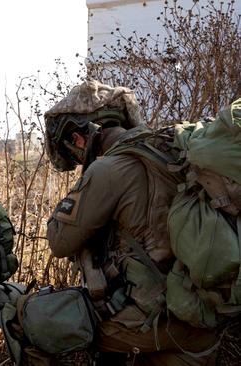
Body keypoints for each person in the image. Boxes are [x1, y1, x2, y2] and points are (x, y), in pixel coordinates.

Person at [36, 80, 219, 365]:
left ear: (79, 138)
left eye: (72, 148)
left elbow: (59, 241)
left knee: (28, 322)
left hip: (152, 323)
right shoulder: (169, 149)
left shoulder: (108, 169)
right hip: (204, 321)